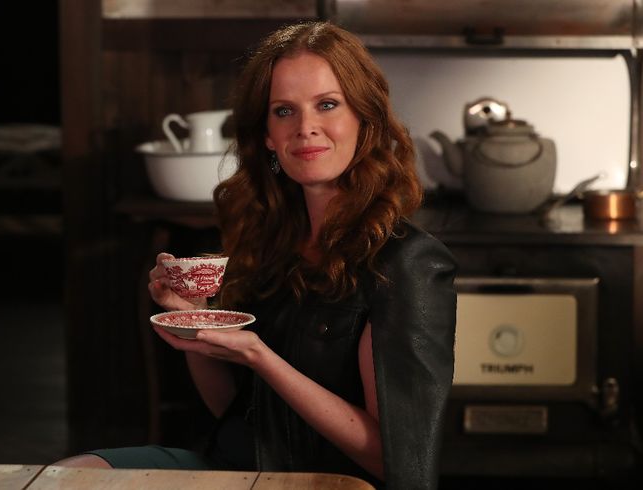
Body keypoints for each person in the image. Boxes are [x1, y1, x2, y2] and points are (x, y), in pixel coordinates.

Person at [56, 20, 456, 490]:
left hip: (321, 484)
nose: (306, 128)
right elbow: (228, 407)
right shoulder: (269, 243)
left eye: (327, 105)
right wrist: (195, 327)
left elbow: (397, 464)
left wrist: (260, 356)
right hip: (232, 468)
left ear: (364, 120)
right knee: (67, 477)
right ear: (267, 135)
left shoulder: (407, 264)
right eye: (283, 111)